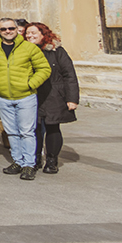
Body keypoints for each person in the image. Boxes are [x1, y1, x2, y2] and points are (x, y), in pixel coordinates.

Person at [0, 17, 52, 180]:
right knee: (12, 132)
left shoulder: (29, 48)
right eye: (3, 29)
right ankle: (18, 161)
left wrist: (30, 84)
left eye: (11, 29)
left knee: (27, 132)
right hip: (3, 97)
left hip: (26, 97)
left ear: (17, 30)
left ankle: (29, 164)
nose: (7, 32)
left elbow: (44, 69)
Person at [26, 22, 78, 175]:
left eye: (34, 33)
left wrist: (72, 98)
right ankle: (34, 159)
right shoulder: (24, 51)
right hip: (33, 94)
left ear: (43, 34)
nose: (30, 36)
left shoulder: (57, 51)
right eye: (28, 33)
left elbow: (69, 75)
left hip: (54, 94)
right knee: (33, 129)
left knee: (52, 127)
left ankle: (51, 160)